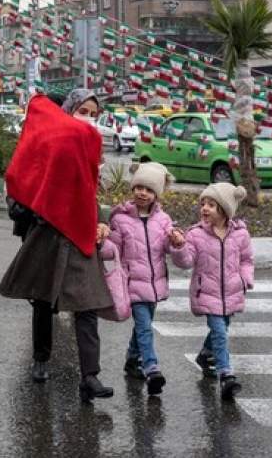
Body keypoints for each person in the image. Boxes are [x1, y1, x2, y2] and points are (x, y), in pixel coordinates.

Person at [0, 88, 116, 403]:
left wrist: (102, 219)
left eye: (94, 113)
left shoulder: (89, 144)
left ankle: (90, 376)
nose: (89, 118)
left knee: (87, 305)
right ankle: (41, 357)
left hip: (80, 236)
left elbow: (93, 192)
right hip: (48, 235)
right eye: (83, 111)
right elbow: (21, 178)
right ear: (69, 109)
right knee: (42, 302)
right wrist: (32, 204)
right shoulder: (46, 141)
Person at [101, 162, 180, 396]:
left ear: (156, 194)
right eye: (138, 188)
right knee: (145, 326)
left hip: (155, 283)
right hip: (132, 282)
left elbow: (166, 247)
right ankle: (151, 367)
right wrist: (101, 240)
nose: (142, 193)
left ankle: (132, 358)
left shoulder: (163, 219)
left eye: (148, 189)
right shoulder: (120, 218)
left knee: (142, 326)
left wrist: (175, 241)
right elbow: (111, 250)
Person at [171, 183, 252, 402]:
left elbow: (246, 260)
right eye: (203, 204)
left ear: (225, 211)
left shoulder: (240, 234)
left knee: (222, 328)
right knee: (219, 331)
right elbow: (187, 262)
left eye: (212, 205)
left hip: (231, 291)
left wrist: (245, 279)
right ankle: (226, 375)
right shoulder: (196, 235)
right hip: (207, 291)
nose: (205, 208)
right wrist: (179, 247)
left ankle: (205, 355)